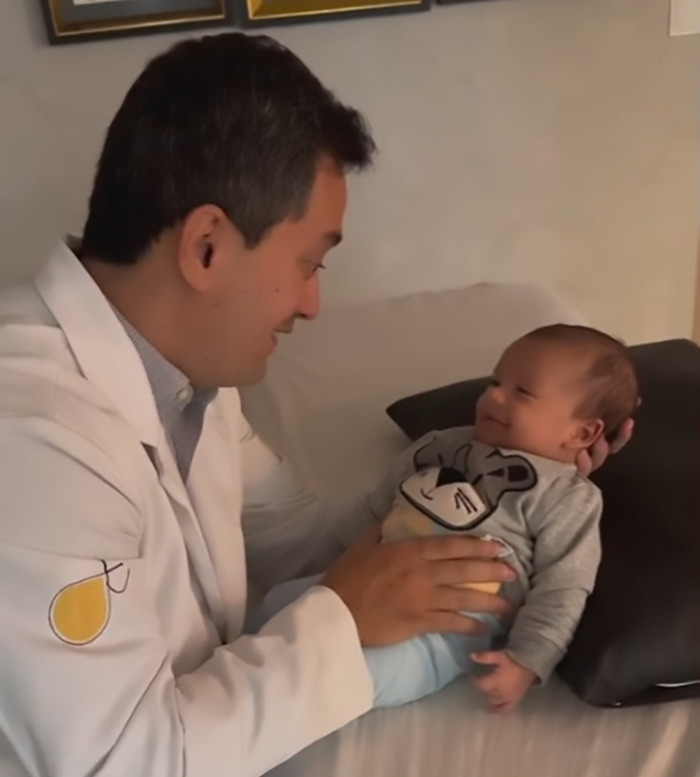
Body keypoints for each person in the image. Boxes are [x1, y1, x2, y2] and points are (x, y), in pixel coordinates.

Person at [0, 33, 632, 777]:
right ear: (206, 245)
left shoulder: (182, 379)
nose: (313, 302)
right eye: (308, 261)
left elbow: (298, 535)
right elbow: (121, 764)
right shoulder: (37, 443)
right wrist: (340, 617)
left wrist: (512, 467)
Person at [257, 325, 639, 713]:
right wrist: (336, 562)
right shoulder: (439, 445)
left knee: (343, 677)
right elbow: (375, 509)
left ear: (583, 432)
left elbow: (563, 588)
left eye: (522, 392)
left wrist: (526, 661)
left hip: (443, 628)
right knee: (274, 607)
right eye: (495, 381)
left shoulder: (568, 498)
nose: (493, 395)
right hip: (365, 578)